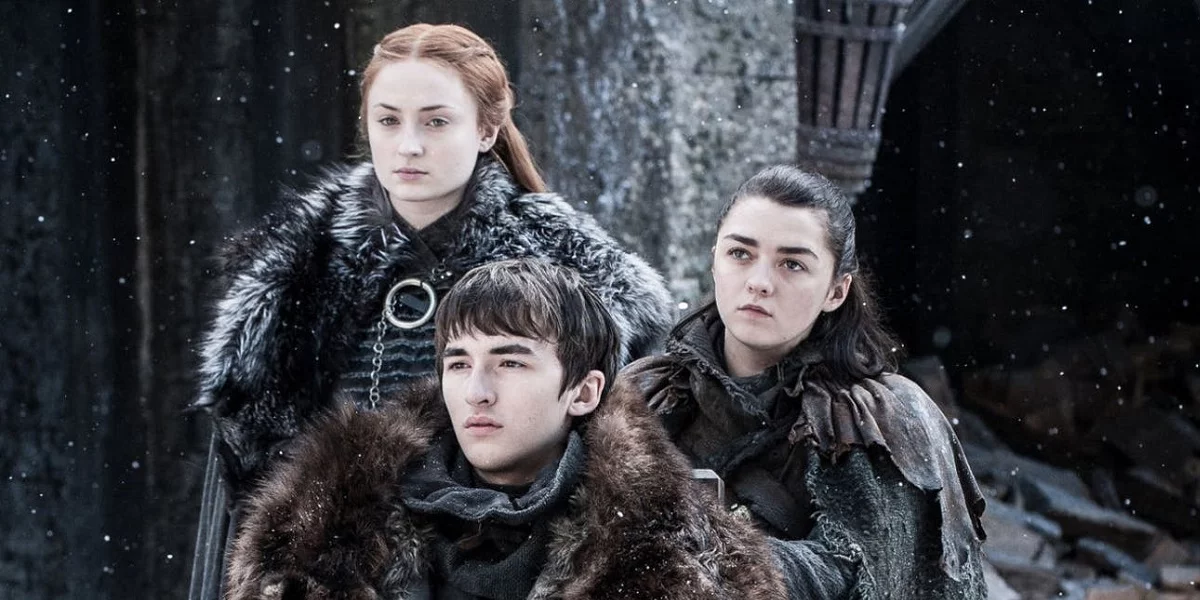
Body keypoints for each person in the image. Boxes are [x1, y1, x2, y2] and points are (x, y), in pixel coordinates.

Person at [187, 23, 671, 600]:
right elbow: (244, 488)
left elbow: (621, 471)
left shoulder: (578, 278)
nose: (408, 145)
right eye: (388, 120)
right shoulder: (291, 273)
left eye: (436, 122)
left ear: (487, 128)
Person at [224, 259, 786, 599]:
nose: (477, 391)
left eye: (511, 362)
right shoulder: (314, 532)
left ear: (584, 391)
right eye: (458, 364)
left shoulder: (684, 557)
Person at [620, 165, 988, 599]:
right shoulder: (642, 393)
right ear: (715, 260)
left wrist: (699, 555)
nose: (759, 283)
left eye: (792, 264)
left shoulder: (883, 419)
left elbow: (864, 573)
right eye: (740, 253)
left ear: (836, 291)